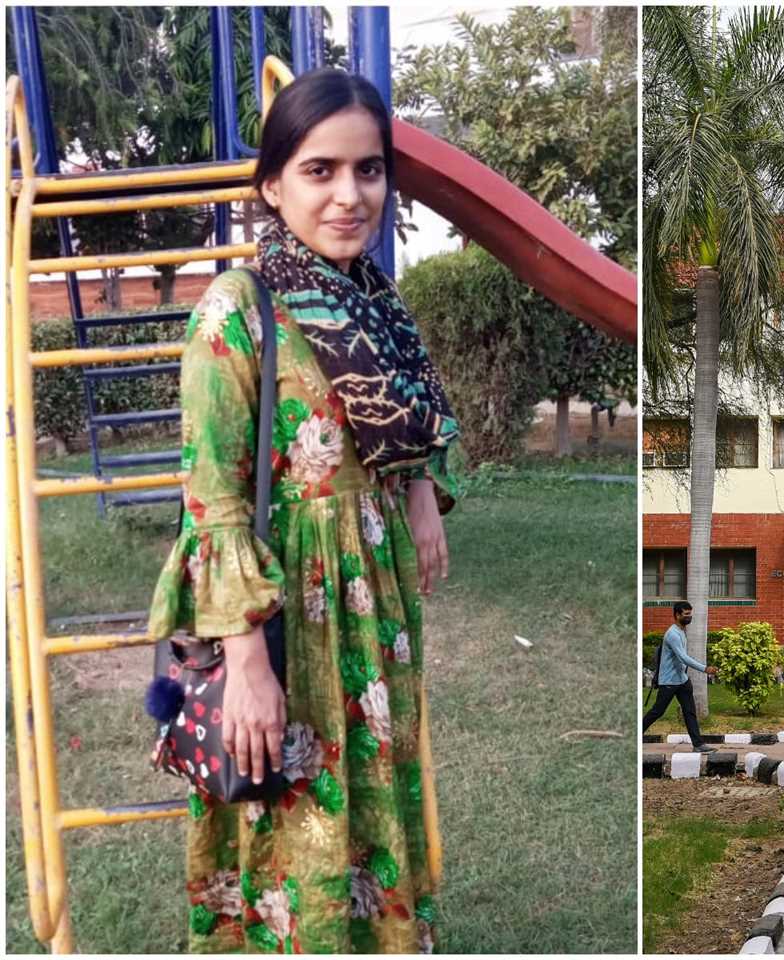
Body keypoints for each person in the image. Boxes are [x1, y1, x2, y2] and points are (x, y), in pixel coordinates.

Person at [147, 69, 456, 954]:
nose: (349, 195)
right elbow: (210, 501)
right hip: (286, 612)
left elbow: (411, 426)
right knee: (288, 815)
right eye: (320, 171)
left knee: (372, 804)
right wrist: (245, 658)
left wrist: (421, 491)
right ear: (272, 185)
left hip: (373, 603)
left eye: (368, 170)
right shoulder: (235, 312)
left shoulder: (380, 307)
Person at [641, 601, 718, 752]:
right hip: (669, 681)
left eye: (690, 614)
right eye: (686, 614)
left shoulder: (681, 631)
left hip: (682, 679)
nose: (689, 617)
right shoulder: (673, 634)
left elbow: (681, 659)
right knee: (657, 711)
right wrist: (705, 668)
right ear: (677, 615)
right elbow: (683, 657)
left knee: (689, 711)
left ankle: (698, 744)